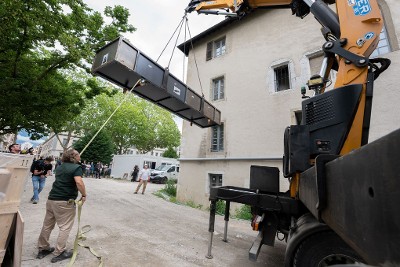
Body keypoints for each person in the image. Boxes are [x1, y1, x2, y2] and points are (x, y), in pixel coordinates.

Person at [36, 149, 87, 263]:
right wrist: (84, 195)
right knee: (65, 227)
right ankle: (60, 252)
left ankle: (43, 248)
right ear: (73, 157)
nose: (80, 155)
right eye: (78, 154)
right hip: (64, 201)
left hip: (51, 199)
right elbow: (79, 182)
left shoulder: (60, 167)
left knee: (47, 225)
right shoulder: (76, 168)